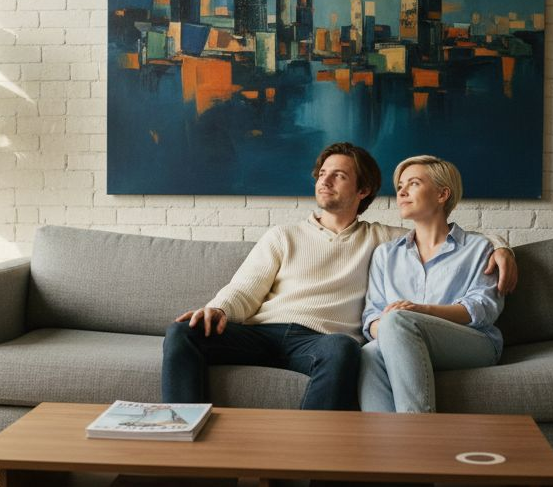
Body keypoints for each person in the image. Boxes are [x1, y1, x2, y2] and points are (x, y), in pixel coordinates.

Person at [161, 142, 516, 411]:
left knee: (345, 349)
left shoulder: (383, 240)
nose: (324, 180)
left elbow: (438, 233)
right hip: (261, 333)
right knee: (183, 332)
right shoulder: (282, 236)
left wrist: (502, 247)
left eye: (339, 175)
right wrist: (218, 309)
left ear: (363, 191)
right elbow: (243, 289)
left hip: (321, 343)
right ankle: (183, 444)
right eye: (322, 173)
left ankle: (310, 469)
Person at [359, 156, 504, 414]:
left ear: (442, 194)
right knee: (369, 352)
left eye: (413, 183)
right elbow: (372, 316)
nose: (401, 192)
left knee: (397, 321)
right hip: (400, 337)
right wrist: (395, 329)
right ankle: (386, 447)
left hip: (472, 342)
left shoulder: (479, 248)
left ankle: (418, 435)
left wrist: (418, 312)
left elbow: (483, 308)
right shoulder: (385, 254)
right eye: (400, 186)